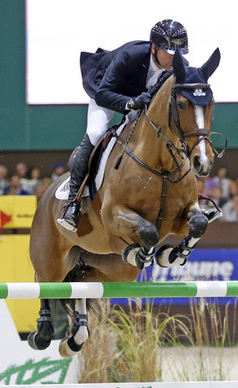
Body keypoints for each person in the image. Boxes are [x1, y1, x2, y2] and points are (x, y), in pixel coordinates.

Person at [57, 19, 190, 232]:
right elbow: (103, 94)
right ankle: (72, 203)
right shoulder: (130, 56)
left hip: (140, 99)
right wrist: (129, 103)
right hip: (108, 91)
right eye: (170, 53)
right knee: (96, 131)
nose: (175, 59)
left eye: (179, 54)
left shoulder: (175, 66)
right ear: (154, 48)